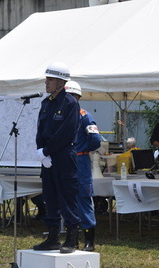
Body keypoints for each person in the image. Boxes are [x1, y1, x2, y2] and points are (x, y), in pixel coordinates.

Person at [33, 62, 81, 254]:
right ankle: (52, 238)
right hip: (48, 156)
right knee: (50, 197)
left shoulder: (70, 103)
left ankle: (72, 239)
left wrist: (47, 151)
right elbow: (40, 131)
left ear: (61, 82)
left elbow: (66, 133)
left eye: (50, 79)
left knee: (67, 196)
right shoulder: (46, 103)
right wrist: (41, 151)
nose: (46, 82)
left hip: (63, 155)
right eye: (46, 79)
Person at [65, 80, 101, 251]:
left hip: (80, 161)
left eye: (70, 96)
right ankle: (71, 237)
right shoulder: (61, 115)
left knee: (83, 199)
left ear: (76, 97)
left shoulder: (84, 116)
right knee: (67, 200)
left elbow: (95, 140)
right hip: (65, 162)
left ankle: (89, 241)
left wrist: (83, 150)